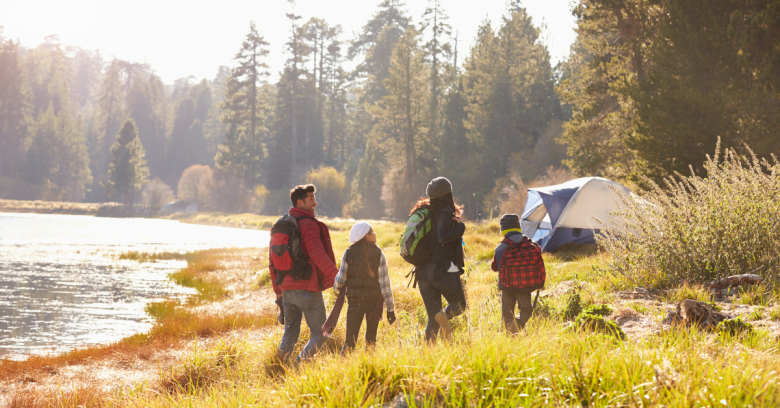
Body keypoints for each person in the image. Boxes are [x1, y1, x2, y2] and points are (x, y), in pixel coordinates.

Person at [269, 184, 339, 363]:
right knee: (322, 333)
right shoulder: (308, 225)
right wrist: (338, 277)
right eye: (311, 200)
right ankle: (299, 366)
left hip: (287, 290)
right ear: (300, 202)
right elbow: (318, 255)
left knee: (290, 333)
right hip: (307, 287)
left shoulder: (282, 225)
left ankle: (281, 369)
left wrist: (278, 290)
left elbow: (272, 262)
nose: (315, 203)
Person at [411, 177, 467, 342]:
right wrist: (461, 227)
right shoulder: (444, 212)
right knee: (458, 306)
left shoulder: (425, 213)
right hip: (441, 269)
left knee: (432, 317)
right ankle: (443, 317)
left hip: (422, 272)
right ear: (448, 193)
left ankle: (428, 354)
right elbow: (442, 238)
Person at [332, 221, 396, 353]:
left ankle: (342, 369)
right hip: (374, 303)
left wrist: (337, 288)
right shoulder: (379, 254)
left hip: (355, 303)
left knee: (350, 342)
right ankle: (369, 369)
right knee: (371, 341)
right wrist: (390, 309)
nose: (375, 233)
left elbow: (339, 281)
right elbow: (385, 285)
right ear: (366, 235)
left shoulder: (349, 252)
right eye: (372, 232)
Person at [491, 214, 539, 333]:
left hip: (507, 287)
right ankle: (517, 324)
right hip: (524, 286)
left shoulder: (501, 248)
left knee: (507, 313)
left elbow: (494, 268)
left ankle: (508, 334)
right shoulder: (530, 244)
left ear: (503, 231)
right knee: (526, 310)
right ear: (519, 228)